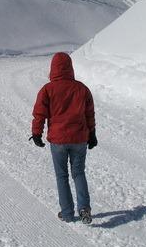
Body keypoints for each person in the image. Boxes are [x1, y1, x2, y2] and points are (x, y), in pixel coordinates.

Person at [30, 52, 97, 224]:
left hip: (58, 140)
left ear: (53, 69)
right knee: (79, 173)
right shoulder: (82, 88)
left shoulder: (47, 89)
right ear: (70, 67)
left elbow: (40, 114)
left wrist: (36, 133)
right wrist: (92, 133)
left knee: (62, 176)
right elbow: (89, 113)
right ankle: (84, 209)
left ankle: (67, 213)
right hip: (80, 139)